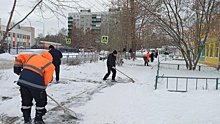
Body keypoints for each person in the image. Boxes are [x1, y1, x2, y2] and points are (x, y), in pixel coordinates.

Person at [14, 52, 55, 124]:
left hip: (23, 82)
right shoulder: (49, 64)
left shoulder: (32, 56)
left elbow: (20, 57)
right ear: (50, 59)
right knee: (41, 101)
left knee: (26, 101)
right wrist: (43, 88)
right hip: (36, 85)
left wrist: (17, 69)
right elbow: (47, 78)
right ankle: (38, 119)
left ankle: (27, 120)